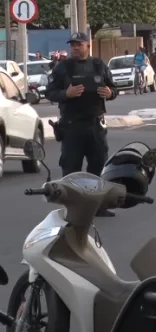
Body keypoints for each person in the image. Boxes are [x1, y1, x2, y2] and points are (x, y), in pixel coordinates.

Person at [45, 32, 118, 217]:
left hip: (95, 124)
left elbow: (113, 88)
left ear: (88, 45)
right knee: (71, 167)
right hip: (72, 125)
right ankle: (73, 207)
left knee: (98, 165)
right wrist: (65, 95)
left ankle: (97, 205)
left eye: (79, 44)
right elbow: (50, 92)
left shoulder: (98, 65)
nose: (75, 48)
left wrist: (110, 93)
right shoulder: (63, 67)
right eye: (73, 45)